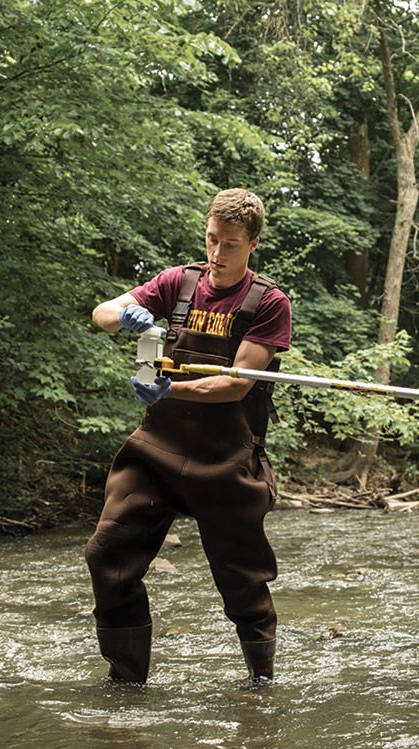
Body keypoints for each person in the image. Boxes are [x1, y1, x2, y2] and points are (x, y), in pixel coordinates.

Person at [85, 188, 291, 684]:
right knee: (106, 554)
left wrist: (168, 389)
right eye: (212, 240)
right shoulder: (179, 282)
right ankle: (126, 681)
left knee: (242, 582)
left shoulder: (269, 303)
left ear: (253, 243)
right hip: (155, 453)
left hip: (225, 457)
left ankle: (260, 685)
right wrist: (123, 312)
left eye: (231, 245)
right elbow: (101, 314)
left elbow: (235, 384)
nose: (217, 255)